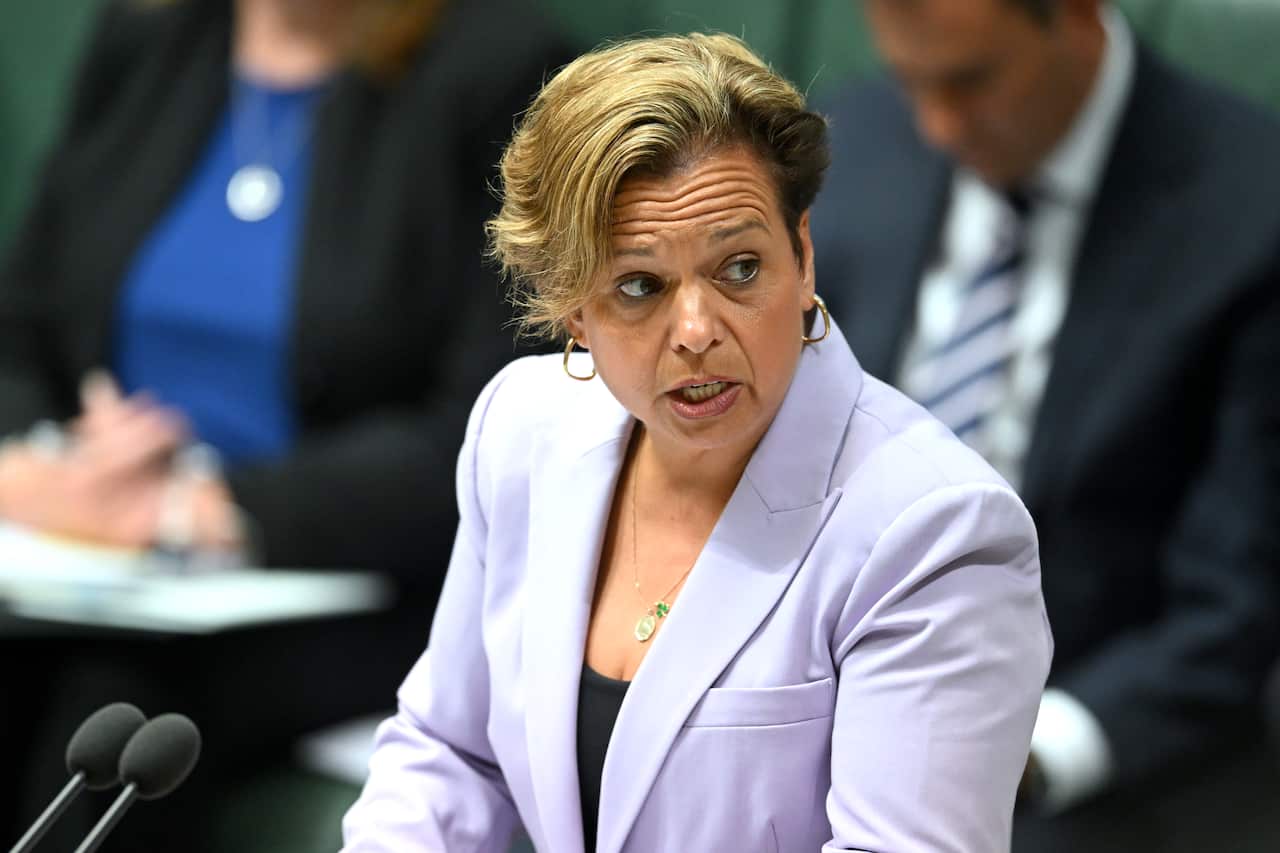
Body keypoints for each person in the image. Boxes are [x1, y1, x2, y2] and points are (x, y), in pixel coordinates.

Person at [341, 32, 1052, 853]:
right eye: (639, 285)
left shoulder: (935, 530)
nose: (696, 330)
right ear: (574, 308)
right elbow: (450, 753)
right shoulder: (522, 430)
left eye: (740, 268)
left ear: (804, 254)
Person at [0, 0, 567, 848]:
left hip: (355, 575)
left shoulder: (502, 73)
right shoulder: (150, 37)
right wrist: (39, 459)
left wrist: (197, 510)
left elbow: (507, 419)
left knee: (117, 699)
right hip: (85, 548)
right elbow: (22, 323)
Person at [810, 0, 1280, 849]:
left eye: (971, 80)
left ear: (1077, 17)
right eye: (911, 80)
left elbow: (1233, 608)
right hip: (822, 674)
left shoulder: (1256, 208)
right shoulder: (852, 143)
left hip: (1084, 739)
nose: (939, 125)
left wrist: (1007, 754)